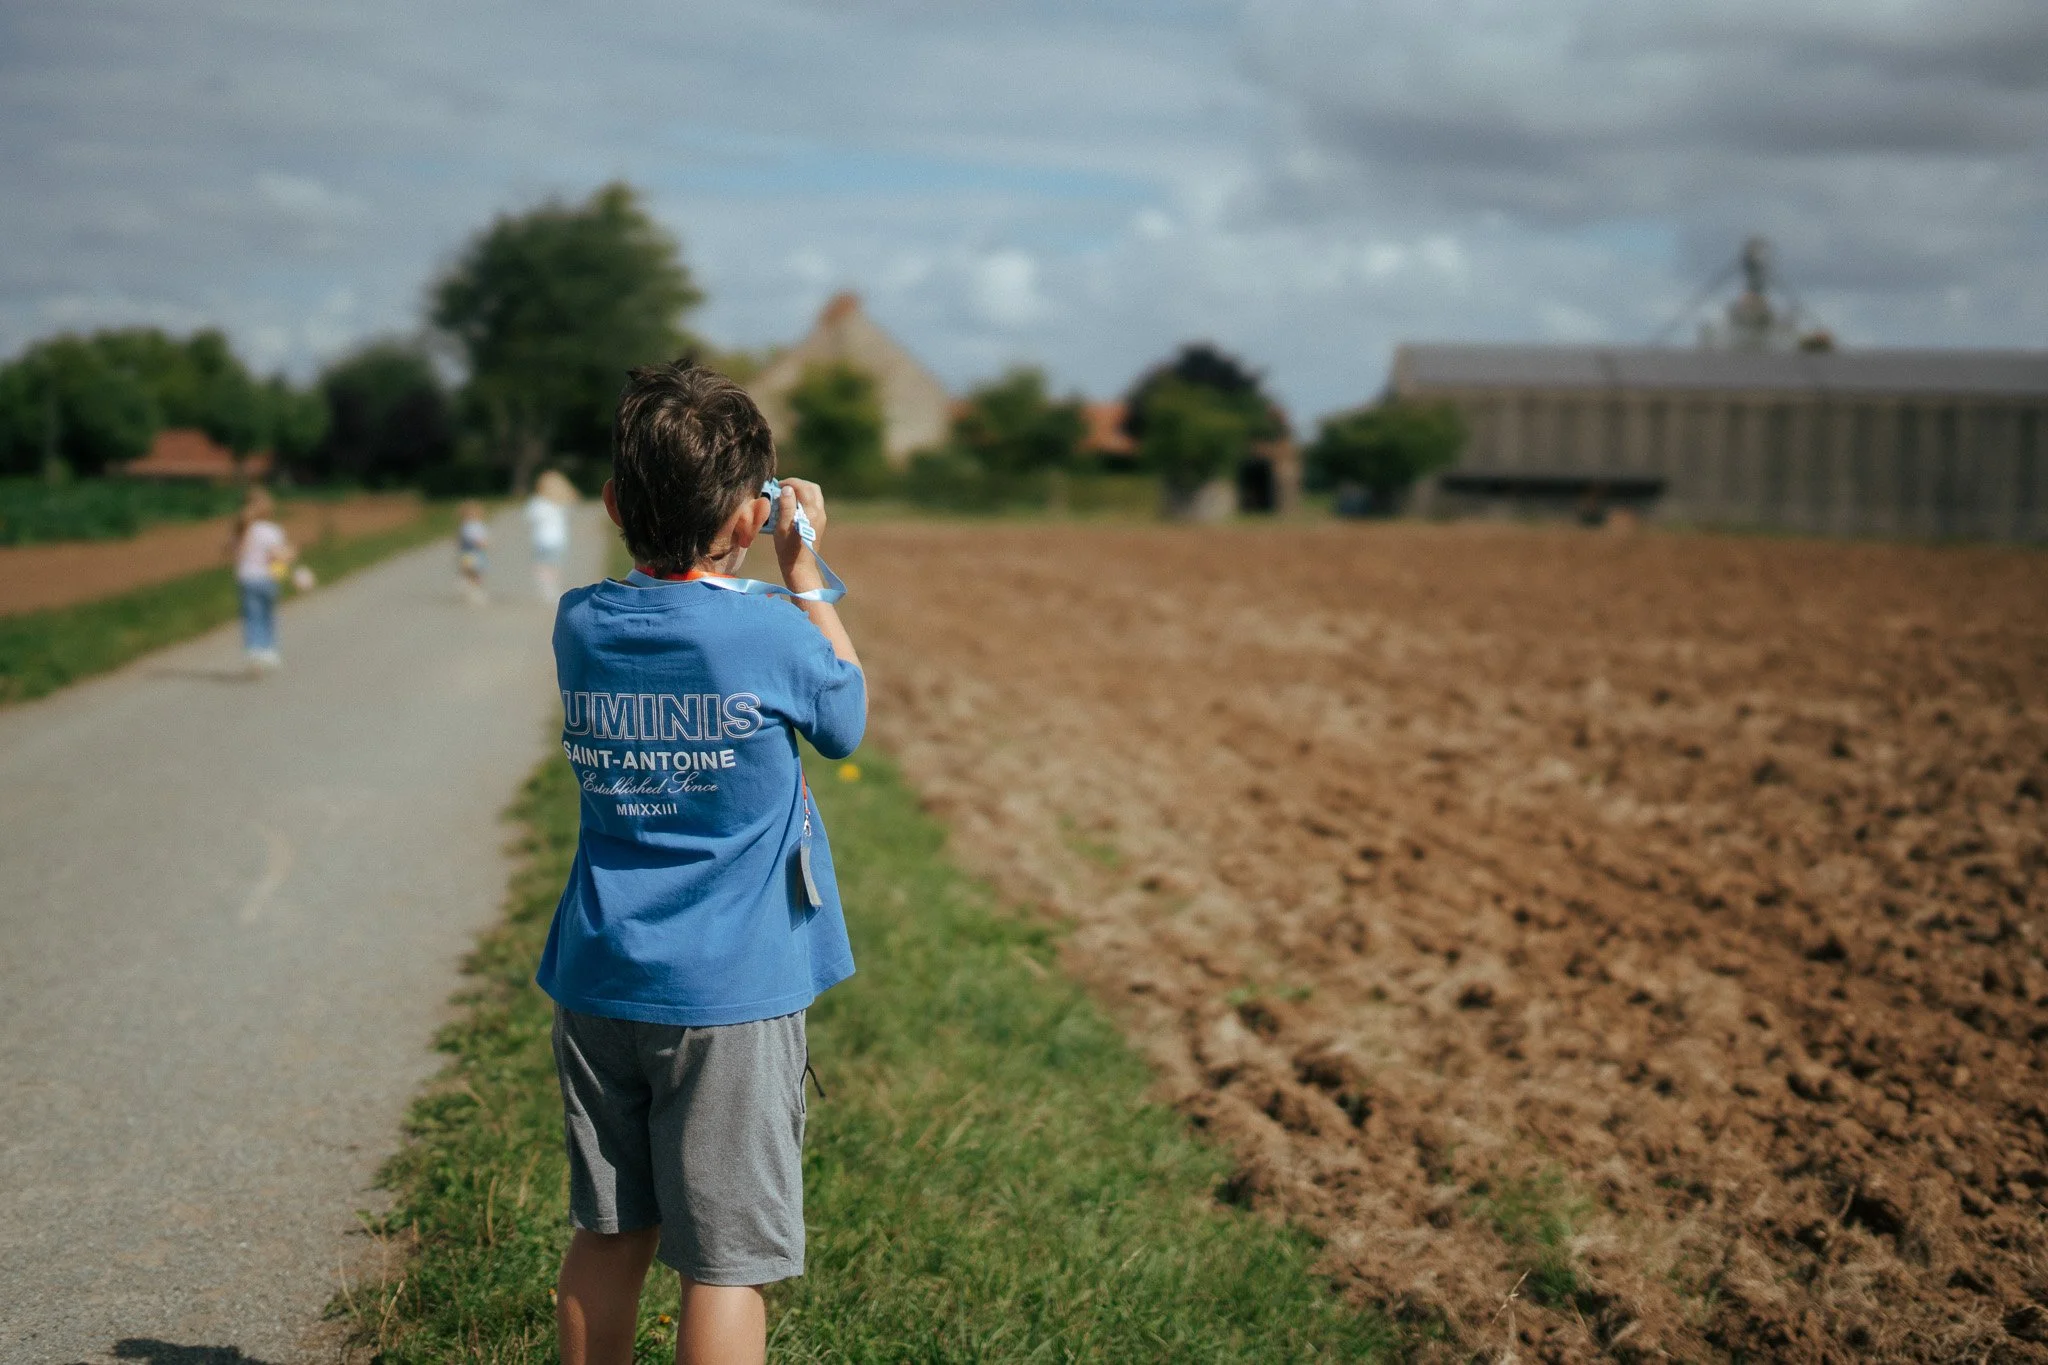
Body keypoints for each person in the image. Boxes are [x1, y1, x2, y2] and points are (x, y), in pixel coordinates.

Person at [538, 363, 864, 1365]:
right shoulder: (770, 630)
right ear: (745, 518)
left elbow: (670, 607)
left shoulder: (579, 621)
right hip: (730, 990)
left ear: (608, 506)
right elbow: (844, 718)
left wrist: (739, 543)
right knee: (722, 1264)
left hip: (601, 976)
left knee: (609, 1231)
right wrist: (802, 567)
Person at [232, 487, 295, 671]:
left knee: (251, 617)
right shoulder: (271, 530)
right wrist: (291, 554)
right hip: (267, 578)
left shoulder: (242, 529)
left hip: (246, 579)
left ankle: (253, 653)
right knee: (267, 616)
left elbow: (233, 551)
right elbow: (278, 556)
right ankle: (268, 650)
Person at [526, 469, 576, 601]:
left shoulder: (537, 503)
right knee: (555, 565)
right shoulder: (559, 504)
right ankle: (551, 588)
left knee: (544, 565)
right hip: (559, 540)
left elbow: (530, 517)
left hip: (542, 540)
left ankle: (547, 588)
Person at [456, 499, 490, 605]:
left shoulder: (480, 525)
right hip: (469, 553)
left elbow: (485, 536)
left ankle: (471, 588)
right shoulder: (466, 527)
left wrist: (486, 542)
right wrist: (481, 542)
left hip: (479, 553)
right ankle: (471, 589)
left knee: (478, 572)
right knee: (472, 572)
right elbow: (471, 538)